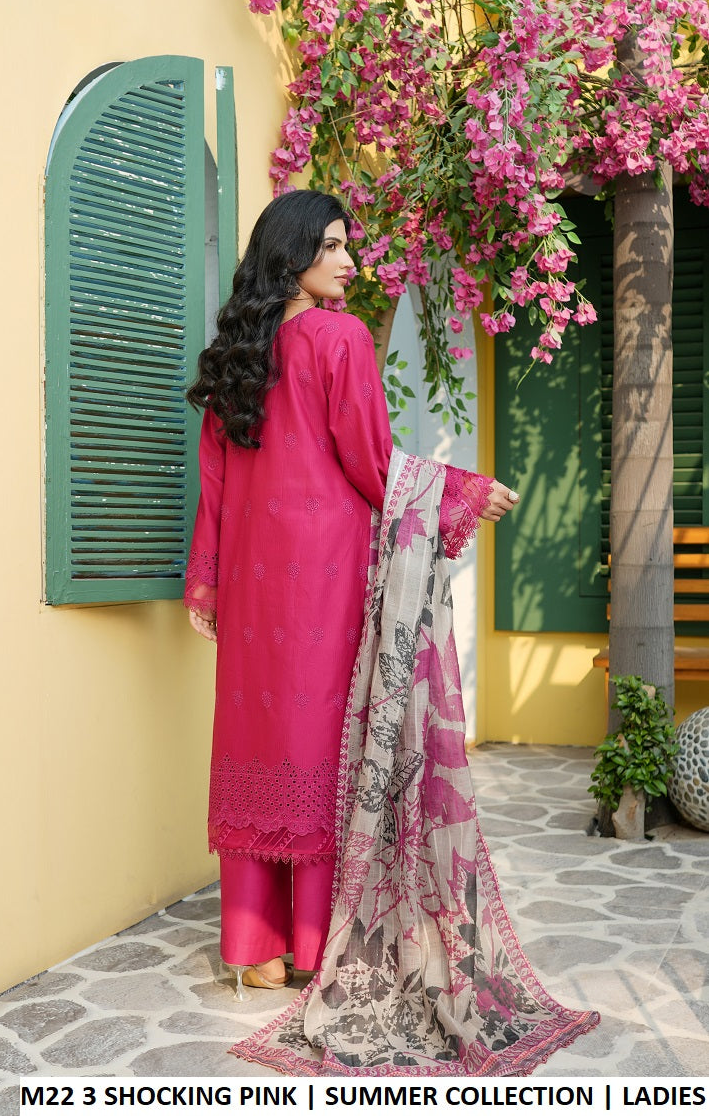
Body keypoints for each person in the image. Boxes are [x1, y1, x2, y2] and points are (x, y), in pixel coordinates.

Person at [184, 189, 517, 991]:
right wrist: (462, 491)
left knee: (258, 742)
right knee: (320, 744)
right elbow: (372, 461)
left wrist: (206, 581)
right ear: (290, 252)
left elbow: (214, 484)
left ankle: (252, 949)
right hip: (324, 577)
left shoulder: (237, 353)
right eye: (332, 246)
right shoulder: (340, 336)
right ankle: (313, 947)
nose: (350, 262)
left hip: (252, 582)